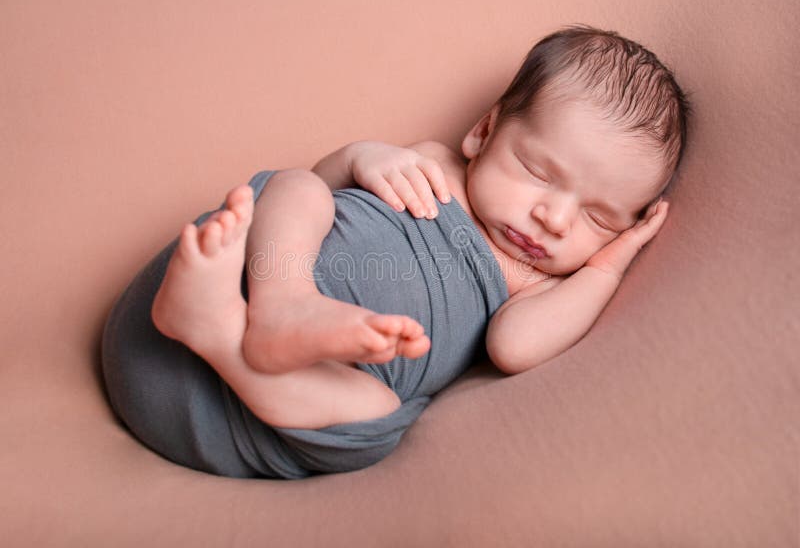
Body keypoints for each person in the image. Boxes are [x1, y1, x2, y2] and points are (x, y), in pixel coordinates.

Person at [103, 24, 691, 478]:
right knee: (298, 188)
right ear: (484, 132)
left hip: (254, 418)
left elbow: (515, 347)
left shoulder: (533, 284)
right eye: (537, 171)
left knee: (378, 408)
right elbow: (326, 180)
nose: (554, 218)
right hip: (211, 295)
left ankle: (222, 337)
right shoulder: (431, 164)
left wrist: (606, 266)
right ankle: (284, 305)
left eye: (598, 218)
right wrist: (362, 156)